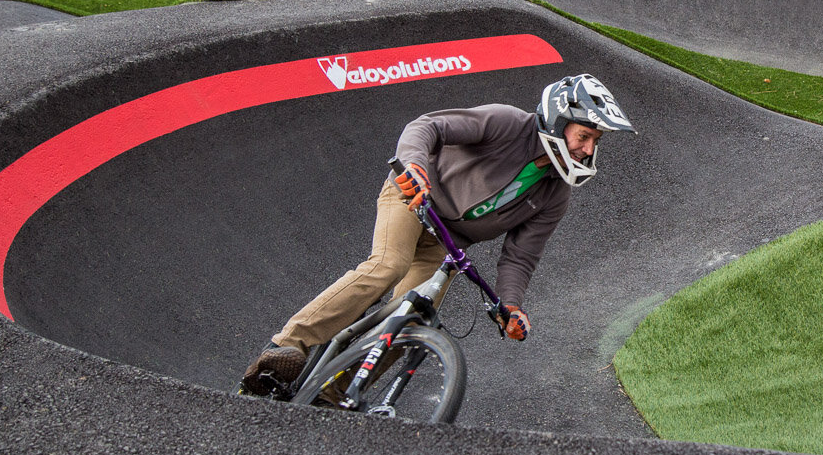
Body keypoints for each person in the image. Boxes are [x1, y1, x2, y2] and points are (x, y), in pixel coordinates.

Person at [241, 73, 636, 396]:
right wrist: (414, 167)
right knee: (388, 265)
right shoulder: (505, 123)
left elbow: (520, 255)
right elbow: (427, 126)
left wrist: (511, 306)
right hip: (413, 200)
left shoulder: (555, 192)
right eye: (583, 136)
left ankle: (332, 395)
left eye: (593, 142)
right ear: (557, 120)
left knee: (412, 313)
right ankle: (286, 348)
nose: (586, 150)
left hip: (446, 242)